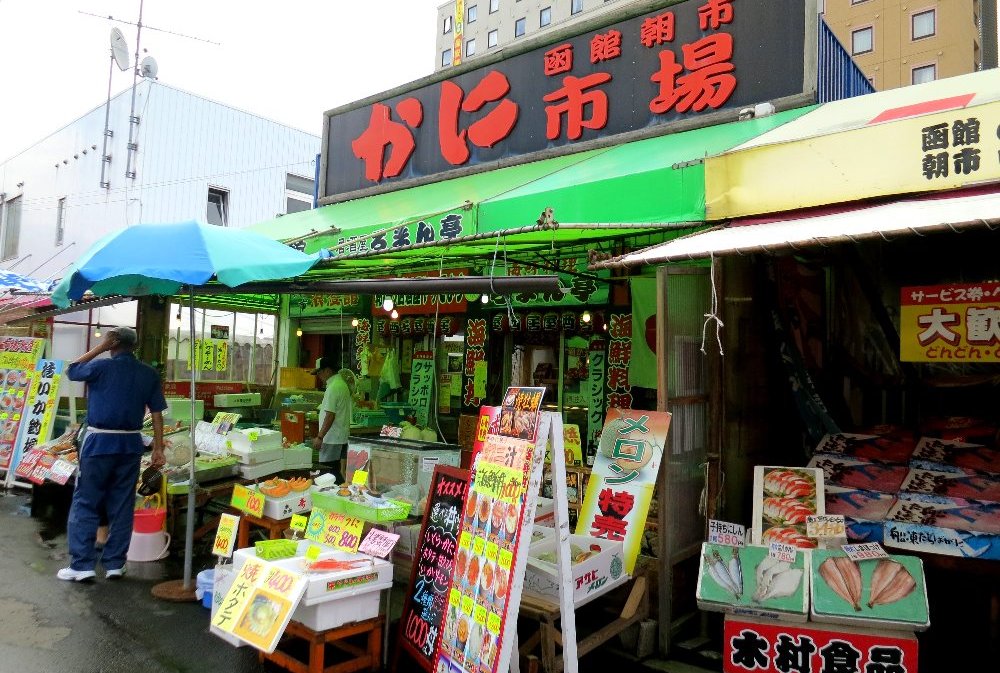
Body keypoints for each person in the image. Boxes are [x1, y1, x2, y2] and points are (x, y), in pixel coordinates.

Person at [58, 326, 167, 582]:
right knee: (122, 503)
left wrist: (100, 347)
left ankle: (82, 565)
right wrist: (159, 448)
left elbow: (72, 370)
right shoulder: (148, 373)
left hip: (99, 443)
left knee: (86, 501)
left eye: (108, 340)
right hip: (130, 445)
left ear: (113, 343)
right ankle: (115, 564)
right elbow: (157, 413)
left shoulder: (100, 368)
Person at [311, 358, 356, 483]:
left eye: (319, 373)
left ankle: (336, 496)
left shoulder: (334, 387)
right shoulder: (341, 385)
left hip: (331, 439)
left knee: (327, 473)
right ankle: (342, 492)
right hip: (339, 437)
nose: (318, 376)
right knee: (336, 470)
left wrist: (320, 437)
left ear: (327, 371)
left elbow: (330, 415)